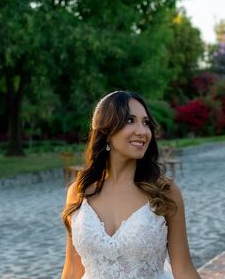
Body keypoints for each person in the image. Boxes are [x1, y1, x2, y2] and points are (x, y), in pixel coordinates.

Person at [61, 90, 200, 279]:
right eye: (129, 120)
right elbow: (72, 271)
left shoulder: (164, 192)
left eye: (145, 123)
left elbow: (183, 269)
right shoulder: (79, 192)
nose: (142, 131)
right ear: (106, 131)